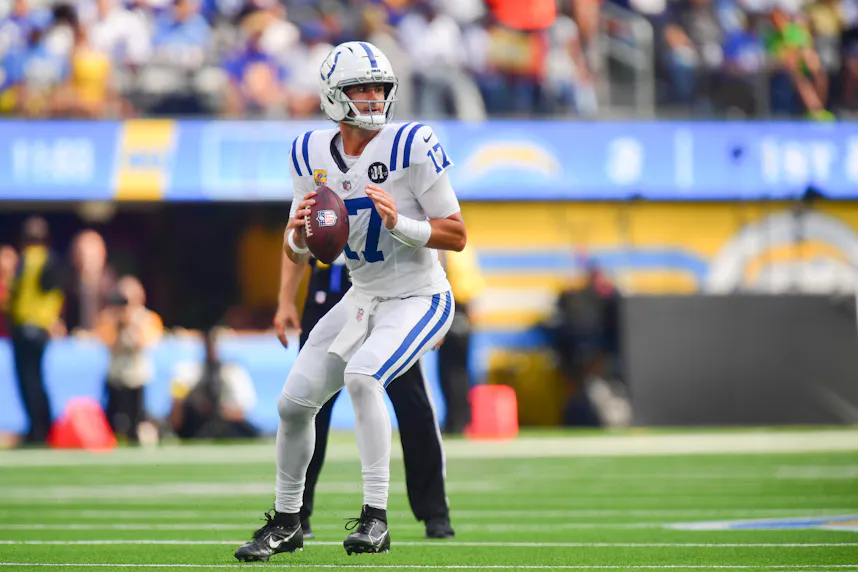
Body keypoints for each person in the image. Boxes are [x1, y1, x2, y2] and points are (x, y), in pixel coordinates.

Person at [235, 41, 466, 562]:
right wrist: (295, 243)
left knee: (365, 379)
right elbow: (304, 241)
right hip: (360, 296)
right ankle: (290, 520)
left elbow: (456, 234)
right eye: (361, 87)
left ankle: (376, 518)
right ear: (333, 96)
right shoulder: (309, 153)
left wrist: (400, 224)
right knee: (292, 404)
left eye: (380, 87)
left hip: (419, 295)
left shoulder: (412, 143)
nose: (373, 97)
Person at [298, 254, 455, 541]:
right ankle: (294, 512)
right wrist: (286, 301)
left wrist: (432, 299)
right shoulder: (317, 206)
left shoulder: (402, 207)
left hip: (385, 294)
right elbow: (296, 239)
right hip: (330, 291)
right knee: (307, 405)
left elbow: (435, 230)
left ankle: (434, 512)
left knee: (413, 404)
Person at [6, 217, 65, 445]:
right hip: (41, 329)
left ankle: (38, 430)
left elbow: (16, 294)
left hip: (25, 328)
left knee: (28, 381)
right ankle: (43, 428)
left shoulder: (25, 261)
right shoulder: (50, 259)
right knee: (37, 379)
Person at [95, 275, 163, 443]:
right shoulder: (108, 318)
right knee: (112, 419)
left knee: (136, 421)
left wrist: (132, 323)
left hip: (137, 376)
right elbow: (107, 343)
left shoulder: (147, 318)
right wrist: (119, 324)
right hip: (116, 375)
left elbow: (146, 343)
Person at [168, 327, 260, 440]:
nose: (210, 348)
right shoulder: (185, 371)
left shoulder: (233, 372)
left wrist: (218, 412)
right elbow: (176, 417)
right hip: (194, 428)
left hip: (227, 427)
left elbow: (242, 411)